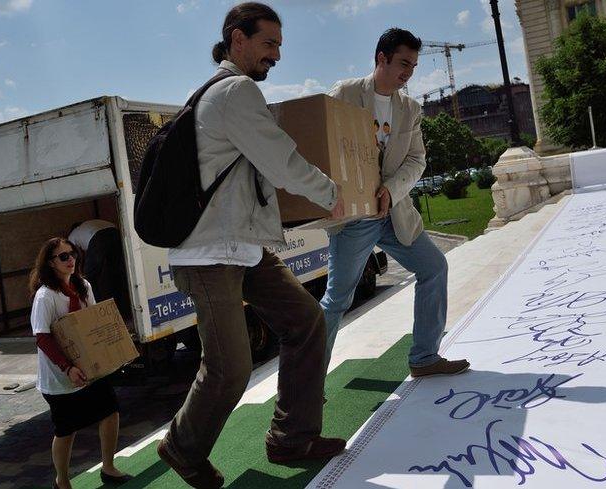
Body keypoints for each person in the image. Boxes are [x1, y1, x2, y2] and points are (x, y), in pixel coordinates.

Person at [155, 3, 347, 487]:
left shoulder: (219, 94)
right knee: (229, 367)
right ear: (237, 39)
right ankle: (182, 446)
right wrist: (333, 194)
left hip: (241, 247)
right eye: (269, 44)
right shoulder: (235, 91)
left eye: (279, 45)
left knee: (305, 321)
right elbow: (281, 160)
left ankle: (291, 438)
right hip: (208, 254)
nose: (277, 55)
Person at [321, 28, 470, 378]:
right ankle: (307, 386)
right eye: (403, 63)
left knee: (434, 267)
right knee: (336, 301)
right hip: (356, 219)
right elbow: (324, 148)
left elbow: (416, 160)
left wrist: (391, 189)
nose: (409, 72)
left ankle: (424, 358)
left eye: (414, 66)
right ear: (381, 58)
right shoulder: (345, 94)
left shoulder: (411, 109)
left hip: (395, 212)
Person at [29, 237, 132, 489]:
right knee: (66, 429)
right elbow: (42, 338)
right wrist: (67, 367)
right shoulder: (46, 296)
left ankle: (108, 467)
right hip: (60, 377)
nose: (70, 259)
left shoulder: (83, 285)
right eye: (63, 256)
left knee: (110, 411)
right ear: (50, 263)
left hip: (90, 369)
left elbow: (92, 323)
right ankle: (62, 481)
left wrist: (110, 352)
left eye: (72, 253)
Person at [67, 220, 132, 322]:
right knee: (117, 275)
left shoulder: (72, 236)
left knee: (89, 279)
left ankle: (98, 311)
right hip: (116, 233)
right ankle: (125, 311)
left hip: (98, 238)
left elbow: (75, 257)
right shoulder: (89, 225)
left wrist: (79, 272)